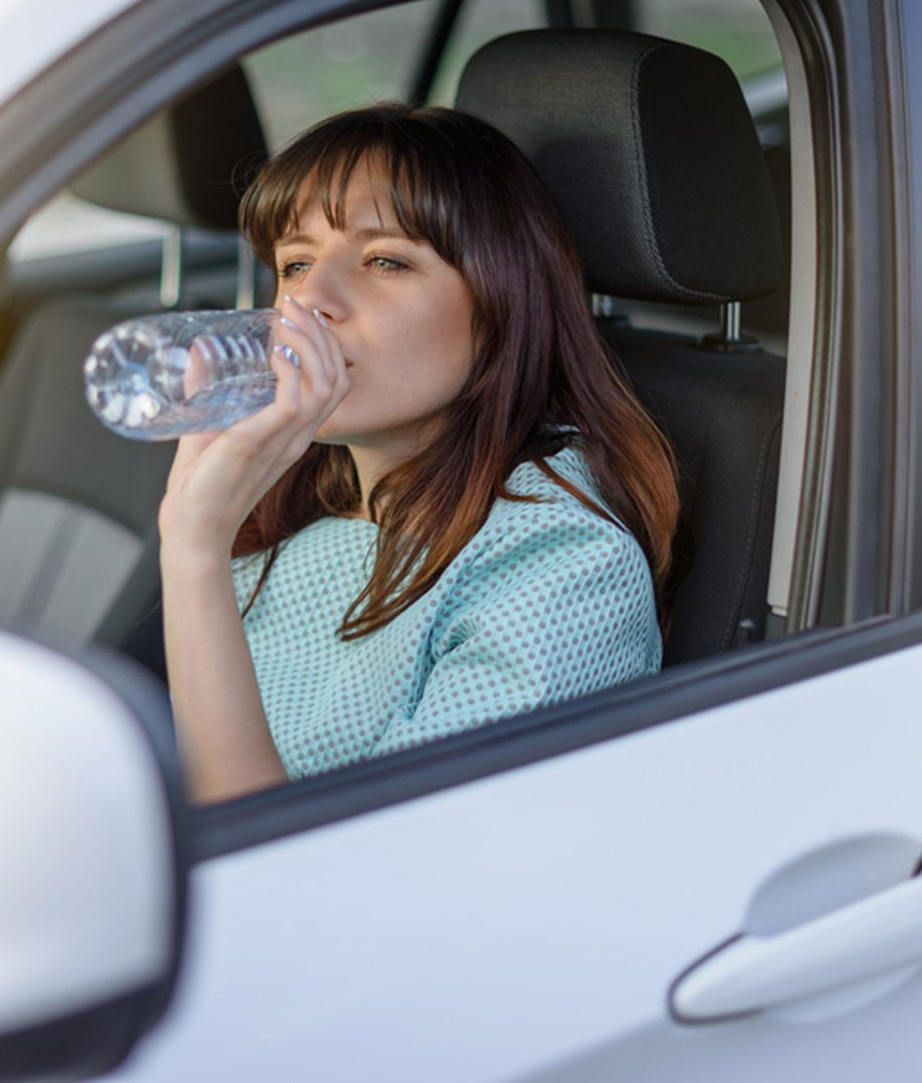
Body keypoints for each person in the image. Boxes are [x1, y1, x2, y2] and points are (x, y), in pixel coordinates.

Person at [158, 104, 679, 804]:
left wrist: (192, 548)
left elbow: (307, 858)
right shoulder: (296, 504)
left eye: (384, 261)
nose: (310, 300)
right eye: (296, 263)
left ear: (502, 305)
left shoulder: (566, 566)